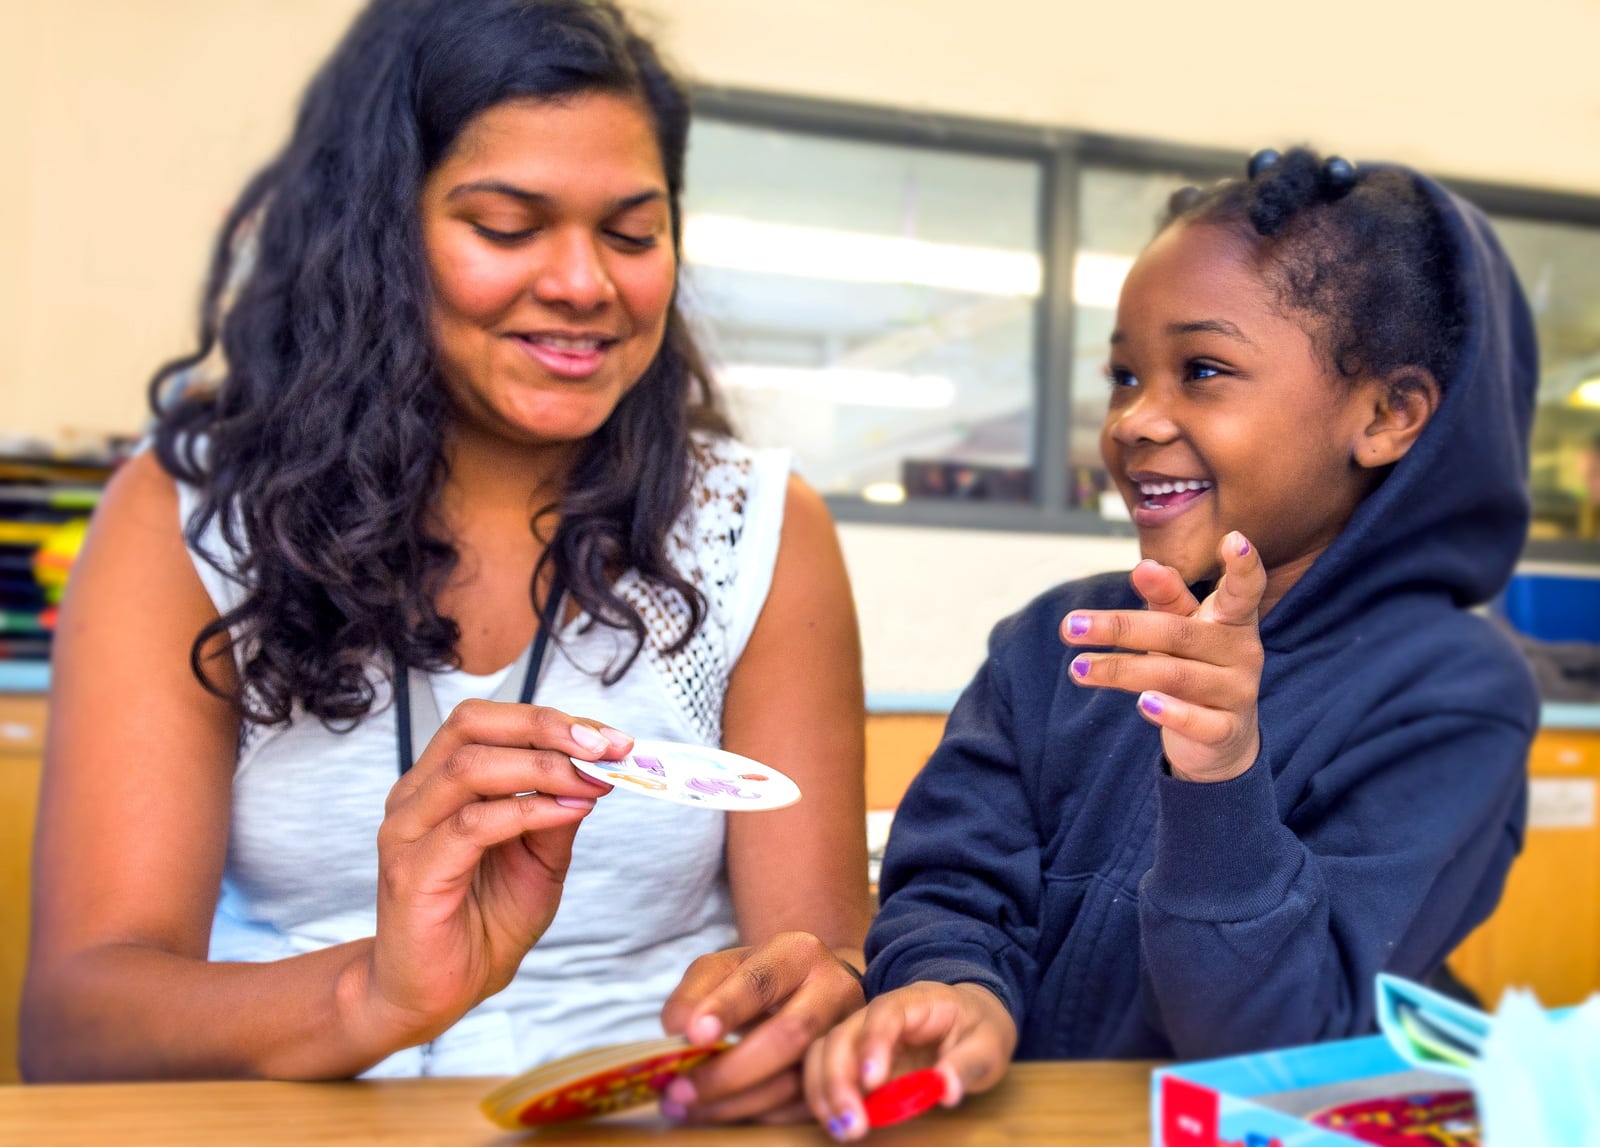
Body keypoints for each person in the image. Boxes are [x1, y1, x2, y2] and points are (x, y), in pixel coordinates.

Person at [22, 0, 870, 1123]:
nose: (585, 283)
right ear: (377, 233)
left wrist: (811, 1002)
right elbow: (76, 1023)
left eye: (630, 232)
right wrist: (370, 995)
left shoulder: (759, 527)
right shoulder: (187, 516)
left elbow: (822, 953)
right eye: (508, 226)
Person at [803, 148, 1539, 1139]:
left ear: (1385, 415)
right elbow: (951, 880)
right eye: (1122, 374)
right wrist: (950, 982)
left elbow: (1278, 1034)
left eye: (1202, 370)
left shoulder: (1450, 691)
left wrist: (1220, 772)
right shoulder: (1056, 642)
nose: (1134, 419)